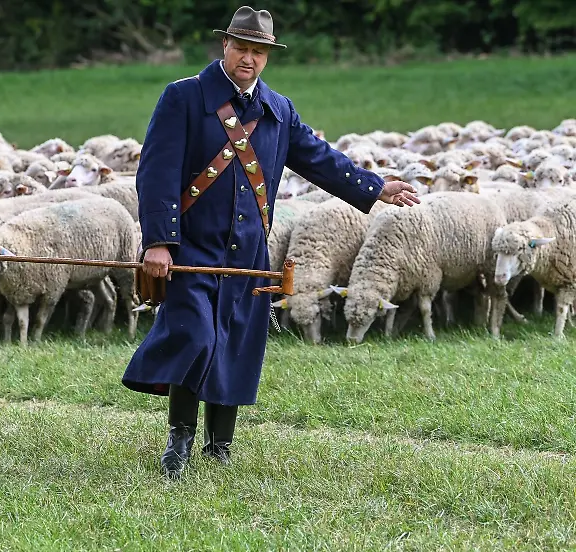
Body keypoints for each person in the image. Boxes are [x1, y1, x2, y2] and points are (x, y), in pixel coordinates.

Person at [121, 6, 420, 480]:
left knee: (236, 345)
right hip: (193, 249)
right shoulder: (184, 97)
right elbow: (155, 174)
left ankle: (220, 446)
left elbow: (318, 158)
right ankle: (179, 440)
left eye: (258, 52)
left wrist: (374, 186)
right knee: (195, 334)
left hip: (251, 251)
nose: (249, 58)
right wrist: (159, 242)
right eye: (242, 48)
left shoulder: (278, 110)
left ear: (267, 57)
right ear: (225, 47)